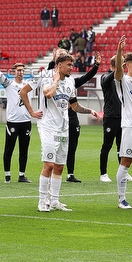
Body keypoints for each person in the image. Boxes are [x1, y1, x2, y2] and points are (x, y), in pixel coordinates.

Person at [20, 53, 98, 212]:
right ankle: (42, 202)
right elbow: (32, 92)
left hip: (64, 128)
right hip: (48, 127)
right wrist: (31, 112)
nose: (71, 68)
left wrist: (89, 110)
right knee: (48, 164)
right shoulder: (47, 77)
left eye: (72, 65)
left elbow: (74, 106)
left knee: (59, 167)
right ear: (59, 65)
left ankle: (54, 201)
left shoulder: (70, 82)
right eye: (69, 65)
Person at [0, 62, 32, 184]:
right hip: (13, 122)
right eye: (18, 70)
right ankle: (7, 175)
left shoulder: (29, 85)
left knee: (24, 149)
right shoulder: (9, 84)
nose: (20, 72)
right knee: (9, 148)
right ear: (13, 72)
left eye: (22, 70)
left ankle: (22, 175)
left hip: (26, 121)